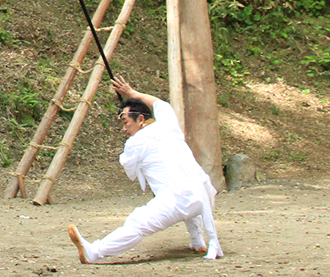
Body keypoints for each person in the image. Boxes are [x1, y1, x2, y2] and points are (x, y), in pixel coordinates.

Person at [67, 77, 223, 263]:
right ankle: (197, 241)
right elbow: (160, 103)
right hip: (200, 195)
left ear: (141, 119)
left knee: (138, 222)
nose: (124, 129)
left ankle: (95, 252)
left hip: (177, 201)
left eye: (125, 122)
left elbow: (129, 167)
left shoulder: (135, 143)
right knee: (184, 186)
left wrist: (133, 143)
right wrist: (132, 93)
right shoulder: (168, 124)